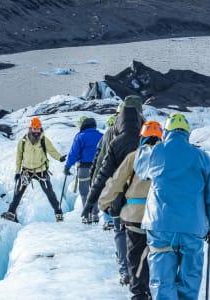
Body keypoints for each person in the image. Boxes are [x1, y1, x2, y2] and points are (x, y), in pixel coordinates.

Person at [134, 113, 210, 300]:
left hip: (160, 227)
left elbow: (140, 169)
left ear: (166, 132)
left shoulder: (157, 152)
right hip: (193, 228)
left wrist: (146, 145)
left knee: (162, 281)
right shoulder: (203, 158)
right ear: (187, 133)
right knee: (189, 281)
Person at [83, 95, 145, 285]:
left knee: (120, 231)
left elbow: (102, 166)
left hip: (117, 194)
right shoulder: (148, 136)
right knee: (141, 236)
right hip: (145, 199)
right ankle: (142, 276)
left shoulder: (113, 136)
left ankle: (125, 270)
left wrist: (92, 200)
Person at [99, 121, 163, 299]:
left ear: (142, 137)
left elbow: (116, 181)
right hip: (160, 216)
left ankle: (139, 293)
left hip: (135, 217)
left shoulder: (134, 157)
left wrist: (104, 203)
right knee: (158, 255)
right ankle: (155, 289)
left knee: (135, 257)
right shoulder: (167, 159)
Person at [1, 117, 67, 223]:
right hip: (26, 171)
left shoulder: (44, 140)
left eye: (38, 128)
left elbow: (52, 151)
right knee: (18, 193)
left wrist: (59, 158)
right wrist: (17, 172)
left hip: (41, 171)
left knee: (49, 193)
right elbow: (19, 157)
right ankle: (11, 213)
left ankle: (58, 213)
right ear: (30, 128)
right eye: (34, 129)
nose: (36, 131)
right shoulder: (23, 141)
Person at [63, 116, 103, 224]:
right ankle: (95, 215)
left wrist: (67, 166)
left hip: (84, 168)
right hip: (98, 169)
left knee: (84, 193)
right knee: (95, 192)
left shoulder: (80, 137)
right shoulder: (101, 136)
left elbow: (74, 153)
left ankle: (86, 216)